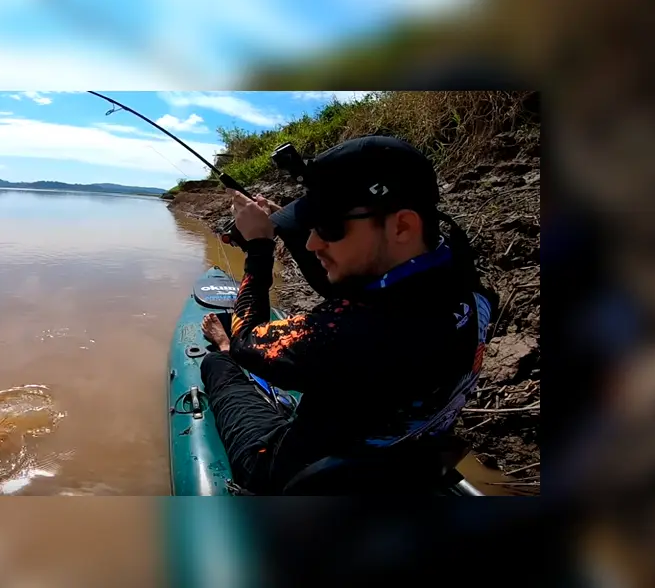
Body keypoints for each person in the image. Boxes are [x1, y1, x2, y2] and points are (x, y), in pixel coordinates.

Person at [198, 135, 497, 495]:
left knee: (219, 364)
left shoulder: (346, 332)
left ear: (402, 225)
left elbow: (248, 339)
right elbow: (351, 289)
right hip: (403, 455)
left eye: (329, 228)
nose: (312, 242)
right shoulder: (467, 285)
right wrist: (293, 229)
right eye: (312, 225)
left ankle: (220, 353)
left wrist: (260, 248)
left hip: (298, 473)